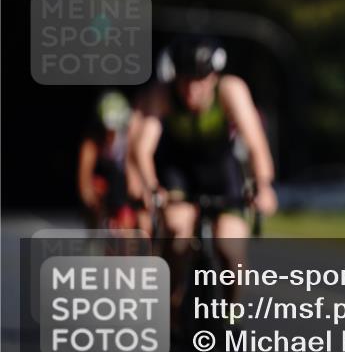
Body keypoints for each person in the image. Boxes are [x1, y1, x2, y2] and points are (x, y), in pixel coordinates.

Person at [129, 36, 277, 314]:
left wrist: (264, 186)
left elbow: (256, 143)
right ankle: (173, 302)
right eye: (184, 79)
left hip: (221, 170)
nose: (191, 89)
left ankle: (232, 314)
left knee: (229, 245)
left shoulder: (231, 90)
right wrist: (151, 187)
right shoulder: (162, 93)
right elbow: (142, 148)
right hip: (178, 171)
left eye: (200, 80)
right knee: (178, 229)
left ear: (214, 77)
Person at [77, 90, 141, 230]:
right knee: (93, 191)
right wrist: (93, 201)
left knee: (134, 219)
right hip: (105, 185)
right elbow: (84, 178)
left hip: (124, 184)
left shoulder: (132, 137)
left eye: (114, 129)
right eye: (105, 128)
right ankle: (95, 238)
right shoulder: (92, 141)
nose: (109, 134)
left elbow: (134, 176)